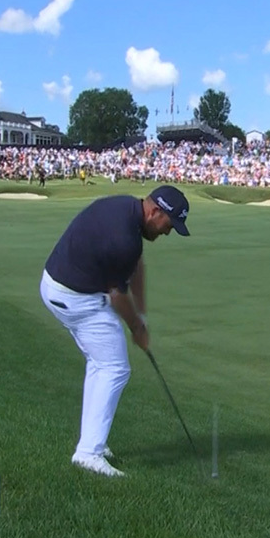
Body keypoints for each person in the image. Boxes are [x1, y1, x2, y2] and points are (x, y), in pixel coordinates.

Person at [39, 185, 191, 477]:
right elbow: (117, 296)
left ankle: (91, 441)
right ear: (155, 212)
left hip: (57, 286)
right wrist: (137, 329)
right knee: (114, 368)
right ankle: (88, 453)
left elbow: (136, 266)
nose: (168, 232)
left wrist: (142, 316)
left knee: (101, 363)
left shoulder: (127, 210)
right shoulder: (125, 239)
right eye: (169, 225)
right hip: (76, 297)